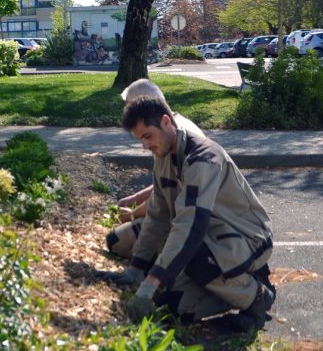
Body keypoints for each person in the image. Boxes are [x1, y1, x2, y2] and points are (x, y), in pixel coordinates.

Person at [118, 96, 274, 331]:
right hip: (212, 239)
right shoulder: (162, 155)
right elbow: (158, 213)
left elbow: (190, 228)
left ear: (166, 122)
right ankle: (233, 289)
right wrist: (136, 268)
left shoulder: (203, 157)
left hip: (249, 240)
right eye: (140, 139)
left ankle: (256, 299)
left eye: (147, 136)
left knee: (192, 253)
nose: (145, 145)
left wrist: (151, 281)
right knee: (167, 308)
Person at [106, 80, 203, 261]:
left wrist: (133, 214)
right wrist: (134, 199)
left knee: (115, 241)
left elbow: (168, 201)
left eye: (130, 109)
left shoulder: (182, 143)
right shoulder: (168, 133)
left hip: (190, 225)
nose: (144, 146)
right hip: (177, 215)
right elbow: (165, 184)